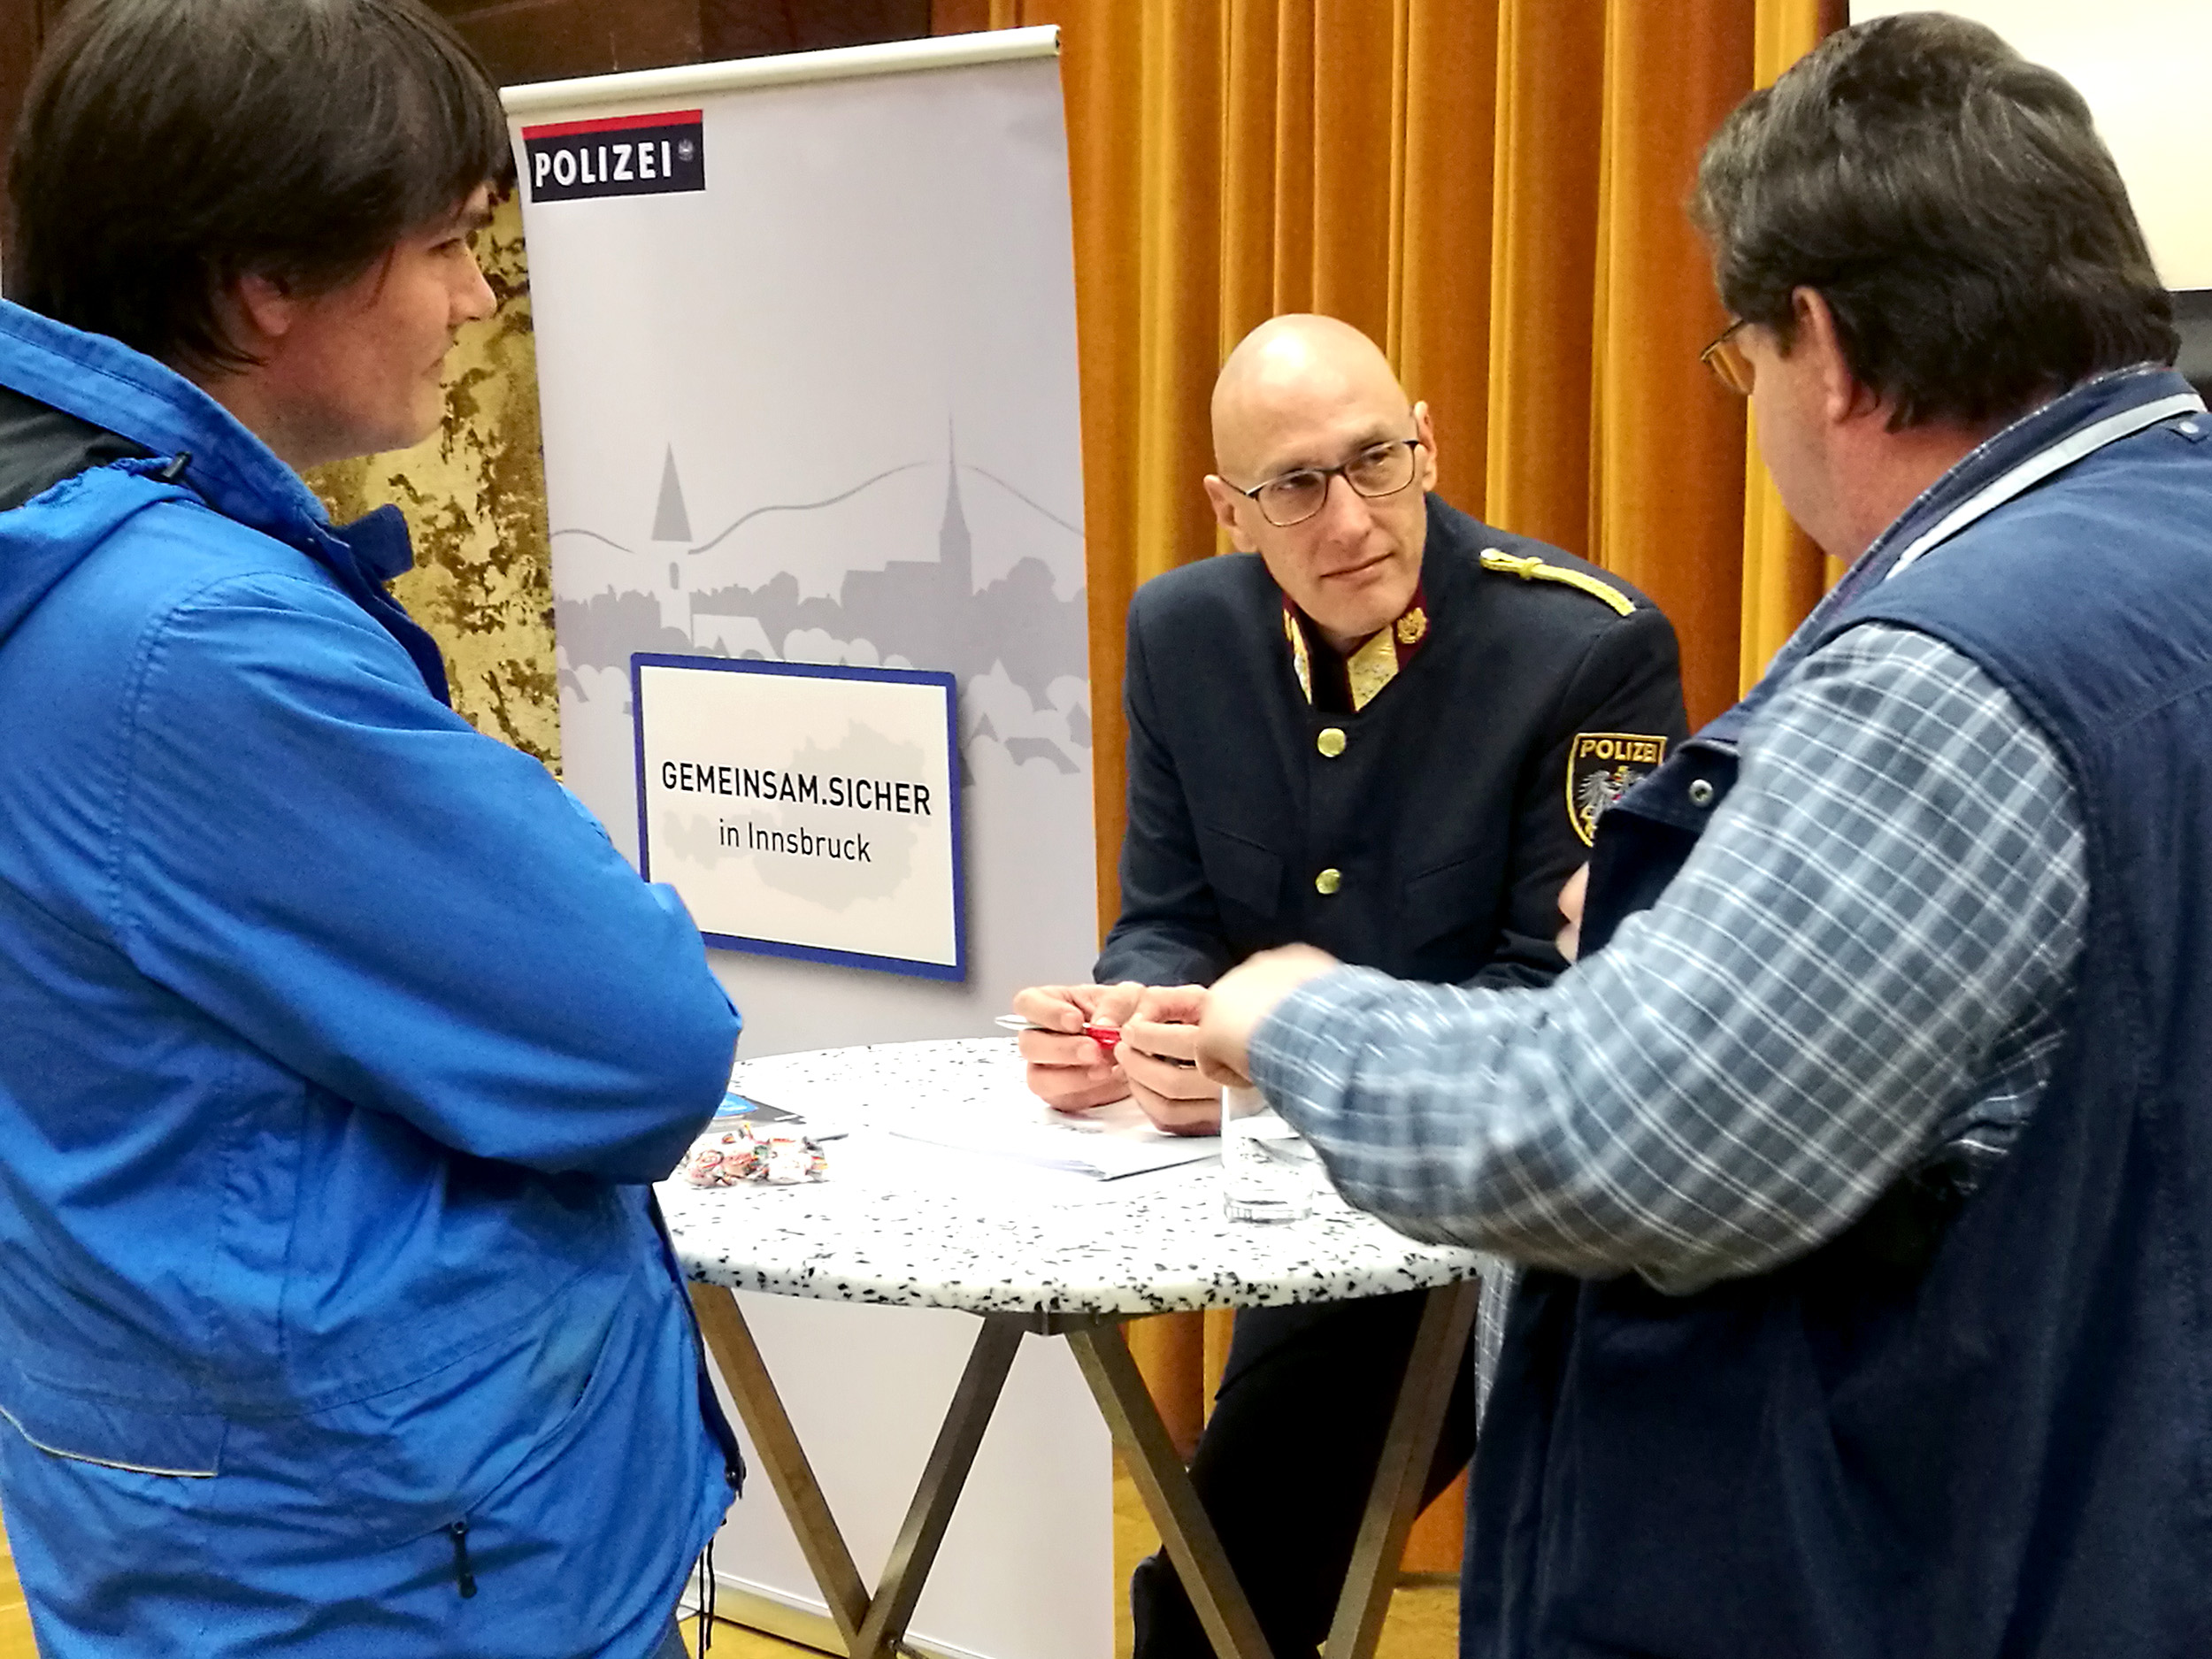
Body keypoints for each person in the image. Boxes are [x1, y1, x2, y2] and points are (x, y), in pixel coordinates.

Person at [1182, 14, 2212, 1657]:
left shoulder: (1953, 676)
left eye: (1738, 359)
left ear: (1828, 344)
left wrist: (1292, 1015)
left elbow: (1622, 1141)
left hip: (1923, 1560)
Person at [0, 4, 741, 1655]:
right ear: (266, 279)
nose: (478, 301)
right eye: (447, 246)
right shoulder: (193, 643)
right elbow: (645, 1035)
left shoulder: (58, 549)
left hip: (206, 1497)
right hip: (395, 1552)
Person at [1014, 313, 1686, 1655]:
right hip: (1284, 1215)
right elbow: (1166, 919)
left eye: (1378, 461)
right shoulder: (1185, 633)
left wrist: (1277, 1057)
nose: (1353, 519)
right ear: (1230, 509)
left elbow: (1565, 1007)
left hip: (1490, 1219)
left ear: (1428, 439)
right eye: (1295, 488)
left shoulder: (1585, 648)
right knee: (1220, 1587)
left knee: (1219, 1592)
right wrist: (1134, 1025)